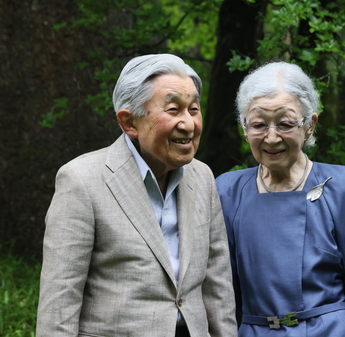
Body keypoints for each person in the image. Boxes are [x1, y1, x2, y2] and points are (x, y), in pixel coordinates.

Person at [37, 54, 237, 337]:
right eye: (173, 109)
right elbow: (59, 302)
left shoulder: (202, 176)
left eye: (193, 109)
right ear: (129, 122)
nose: (189, 124)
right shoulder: (81, 180)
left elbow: (218, 288)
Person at [216, 62, 345, 336]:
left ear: (309, 125)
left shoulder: (344, 187)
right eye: (259, 124)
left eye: (285, 124)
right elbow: (222, 299)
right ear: (244, 126)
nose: (271, 138)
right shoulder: (227, 191)